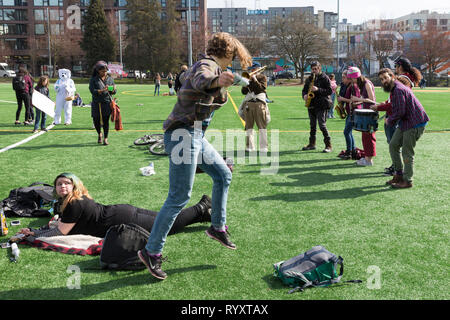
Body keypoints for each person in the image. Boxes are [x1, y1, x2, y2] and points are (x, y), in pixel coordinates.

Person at [138, 32, 252, 280]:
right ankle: (151, 252)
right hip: (183, 136)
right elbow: (203, 81)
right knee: (179, 197)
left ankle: (217, 227)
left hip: (194, 136)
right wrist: (218, 80)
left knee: (222, 175)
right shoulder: (206, 66)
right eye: (233, 56)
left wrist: (228, 81)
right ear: (228, 53)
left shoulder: (207, 65)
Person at [18, 173, 212, 239]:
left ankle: (201, 207)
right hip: (121, 211)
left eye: (66, 183)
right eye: (59, 184)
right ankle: (204, 215)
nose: (62, 186)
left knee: (166, 226)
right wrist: (38, 229)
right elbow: (59, 225)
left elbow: (59, 233)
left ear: (73, 185)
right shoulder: (75, 197)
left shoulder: (73, 204)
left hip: (122, 218)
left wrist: (35, 234)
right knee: (165, 218)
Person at [374, 68, 429, 189]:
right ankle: (398, 175)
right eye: (381, 79)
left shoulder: (398, 89)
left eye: (385, 78)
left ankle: (407, 180)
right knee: (393, 145)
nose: (383, 81)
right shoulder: (395, 88)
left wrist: (390, 120)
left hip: (415, 123)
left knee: (407, 152)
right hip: (407, 122)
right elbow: (396, 107)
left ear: (392, 76)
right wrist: (380, 107)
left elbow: (400, 111)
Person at [301, 61, 333, 153]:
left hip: (322, 104)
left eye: (316, 69)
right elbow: (304, 90)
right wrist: (304, 96)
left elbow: (329, 91)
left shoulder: (325, 78)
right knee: (312, 126)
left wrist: (318, 89)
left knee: (322, 125)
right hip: (311, 104)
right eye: (312, 69)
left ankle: (328, 145)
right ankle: (312, 144)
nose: (314, 70)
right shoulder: (309, 79)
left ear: (320, 68)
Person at [348, 66, 377, 166]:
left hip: (370, 114)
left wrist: (357, 98)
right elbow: (366, 99)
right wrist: (356, 102)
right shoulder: (363, 84)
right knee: (365, 137)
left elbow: (372, 100)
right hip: (366, 113)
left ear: (355, 77)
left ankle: (369, 160)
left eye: (351, 79)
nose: (351, 81)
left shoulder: (367, 84)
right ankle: (367, 158)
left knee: (369, 137)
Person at [241, 62, 269, 152]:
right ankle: (250, 146)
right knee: (249, 126)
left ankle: (264, 147)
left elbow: (261, 89)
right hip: (249, 104)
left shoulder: (262, 77)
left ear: (259, 69)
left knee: (261, 126)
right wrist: (246, 82)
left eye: (255, 69)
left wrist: (255, 80)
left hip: (259, 103)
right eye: (253, 69)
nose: (254, 70)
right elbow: (243, 92)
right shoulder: (248, 78)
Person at [89, 61, 116, 145]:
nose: (104, 73)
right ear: (98, 70)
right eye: (102, 71)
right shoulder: (93, 79)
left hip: (106, 103)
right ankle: (99, 134)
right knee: (96, 120)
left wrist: (112, 89)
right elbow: (92, 91)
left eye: (105, 71)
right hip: (96, 103)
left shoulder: (110, 79)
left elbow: (114, 91)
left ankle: (106, 138)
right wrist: (102, 90)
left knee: (105, 121)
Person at [337, 70, 362, 160]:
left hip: (354, 112)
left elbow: (356, 100)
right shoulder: (349, 86)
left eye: (344, 77)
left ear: (349, 77)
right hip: (350, 112)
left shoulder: (353, 86)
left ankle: (349, 152)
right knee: (348, 132)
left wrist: (343, 99)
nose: (342, 79)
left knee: (346, 132)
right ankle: (352, 150)